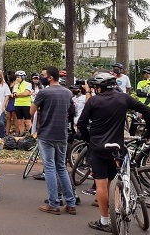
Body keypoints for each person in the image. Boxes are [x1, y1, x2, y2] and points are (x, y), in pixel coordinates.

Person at [78, 73, 150, 231]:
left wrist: (88, 139)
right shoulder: (124, 98)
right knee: (114, 179)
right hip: (117, 147)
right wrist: (147, 132)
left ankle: (104, 221)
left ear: (99, 88)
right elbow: (146, 110)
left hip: (97, 147)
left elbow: (81, 123)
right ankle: (117, 208)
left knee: (101, 183)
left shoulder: (93, 101)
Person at [32, 66, 77, 215]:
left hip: (46, 134)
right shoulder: (68, 93)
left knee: (50, 168)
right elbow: (71, 112)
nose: (43, 77)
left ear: (50, 78)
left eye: (45, 75)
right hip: (62, 134)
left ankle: (54, 204)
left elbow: (32, 111)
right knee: (62, 168)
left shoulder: (44, 92)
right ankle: (71, 203)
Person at [10, 70, 32, 136]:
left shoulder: (28, 84)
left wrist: (17, 94)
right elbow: (13, 95)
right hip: (17, 104)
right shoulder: (16, 85)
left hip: (26, 104)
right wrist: (19, 94)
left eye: (18, 77)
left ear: (23, 77)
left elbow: (26, 93)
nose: (17, 78)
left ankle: (32, 136)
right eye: (16, 77)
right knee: (19, 121)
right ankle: (22, 134)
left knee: (27, 122)